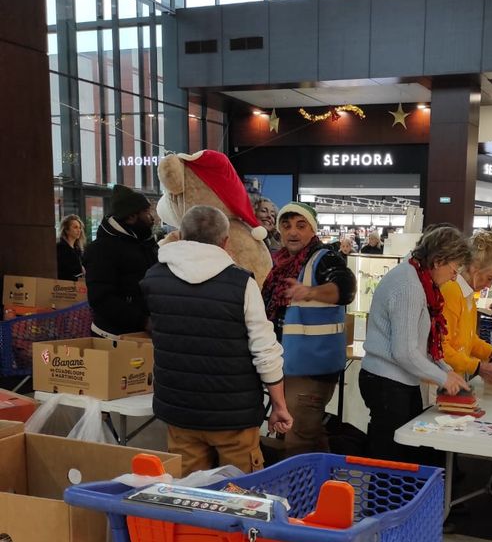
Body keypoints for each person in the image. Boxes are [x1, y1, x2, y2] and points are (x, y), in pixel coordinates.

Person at [141, 205, 292, 474]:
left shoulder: (153, 278)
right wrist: (279, 405)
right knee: (238, 494)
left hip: (179, 411)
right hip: (234, 415)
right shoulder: (240, 283)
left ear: (181, 235)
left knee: (187, 495)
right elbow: (264, 349)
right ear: (225, 241)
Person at [360, 226, 472, 462]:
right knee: (390, 459)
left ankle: (395, 499)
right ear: (439, 260)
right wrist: (444, 378)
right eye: (455, 269)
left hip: (398, 382)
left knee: (406, 453)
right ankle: (385, 500)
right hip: (387, 384)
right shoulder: (409, 286)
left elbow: (422, 345)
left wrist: (446, 371)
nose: (454, 276)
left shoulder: (418, 280)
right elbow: (405, 351)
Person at [261, 202, 356, 456]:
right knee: (307, 433)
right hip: (287, 365)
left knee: (298, 436)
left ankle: (301, 493)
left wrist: (310, 292)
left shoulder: (324, 258)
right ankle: (325, 488)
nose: (292, 232)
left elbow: (346, 288)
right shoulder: (279, 264)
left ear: (312, 230)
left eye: (301, 226)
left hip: (312, 368)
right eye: (287, 225)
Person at [84, 184, 157, 338]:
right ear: (131, 217)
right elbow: (101, 299)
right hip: (113, 337)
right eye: (146, 212)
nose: (152, 218)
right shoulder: (101, 250)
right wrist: (143, 321)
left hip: (141, 334)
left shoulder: (144, 242)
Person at [441, 233, 492, 386]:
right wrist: (477, 367)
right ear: (474, 268)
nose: (489, 285)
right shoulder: (452, 291)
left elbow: (468, 339)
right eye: (489, 278)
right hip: (441, 379)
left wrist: (491, 352)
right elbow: (441, 347)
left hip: (453, 377)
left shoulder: (467, 294)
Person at [56, 214, 86, 280]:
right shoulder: (60, 248)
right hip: (65, 285)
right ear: (67, 230)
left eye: (80, 227)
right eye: (75, 227)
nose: (79, 230)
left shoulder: (77, 249)